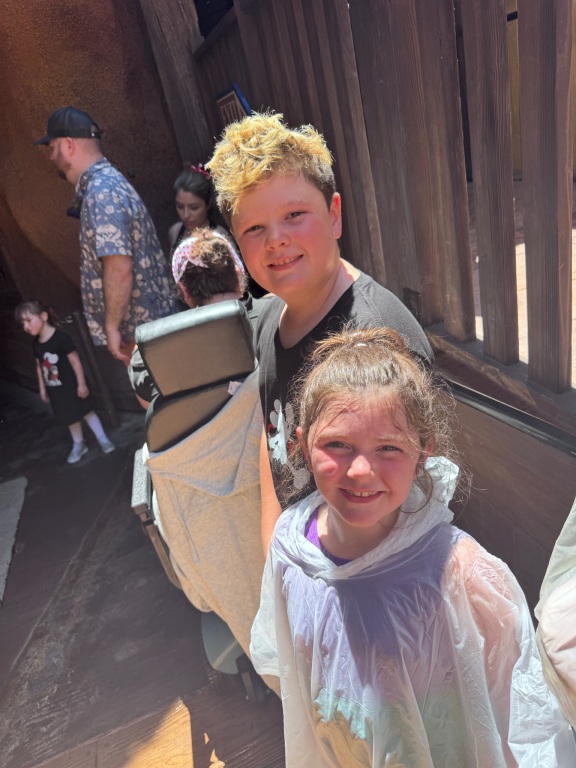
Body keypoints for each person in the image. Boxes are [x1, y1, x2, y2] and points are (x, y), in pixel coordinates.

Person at [250, 326, 576, 767]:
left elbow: (518, 714)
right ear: (302, 447)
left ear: (423, 453)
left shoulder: (461, 575)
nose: (361, 470)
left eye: (388, 448)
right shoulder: (291, 548)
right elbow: (292, 665)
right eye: (337, 445)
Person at [208, 112, 434, 550]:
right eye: (254, 228)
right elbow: (273, 435)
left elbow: (406, 495)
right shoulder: (272, 315)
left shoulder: (377, 339)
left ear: (334, 215)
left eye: (294, 214)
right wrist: (275, 558)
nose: (275, 239)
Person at [33, 106, 178, 363]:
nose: (51, 156)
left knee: (156, 388)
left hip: (143, 334)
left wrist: (112, 327)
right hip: (152, 329)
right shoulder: (108, 183)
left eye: (52, 147)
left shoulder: (101, 192)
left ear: (68, 145)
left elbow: (119, 266)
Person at [128, 228, 263, 405]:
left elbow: (149, 400)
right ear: (238, 274)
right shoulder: (281, 312)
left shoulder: (151, 354)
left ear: (184, 290)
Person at [16, 300, 115, 464]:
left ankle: (102, 438)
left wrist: (81, 384)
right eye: (22, 323)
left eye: (28, 320)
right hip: (55, 389)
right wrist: (42, 388)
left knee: (87, 411)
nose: (25, 326)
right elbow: (39, 367)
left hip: (73, 385)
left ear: (43, 316)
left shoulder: (61, 338)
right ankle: (79, 444)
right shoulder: (36, 345)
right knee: (70, 417)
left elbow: (76, 362)